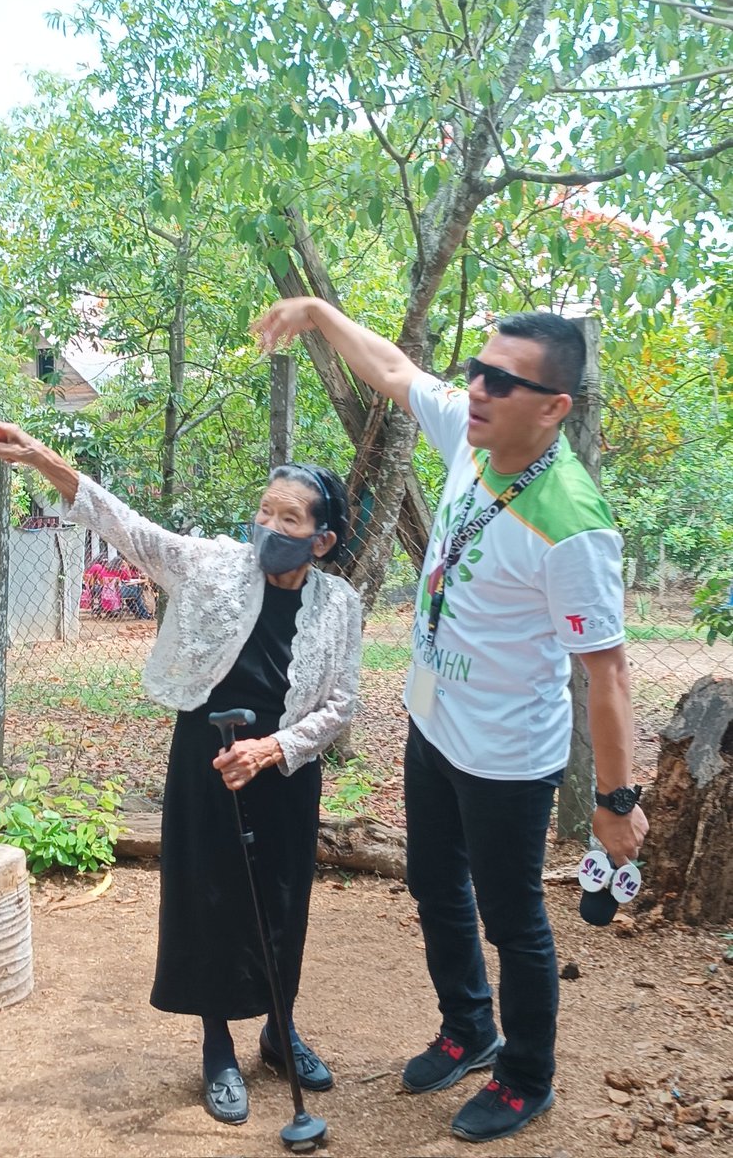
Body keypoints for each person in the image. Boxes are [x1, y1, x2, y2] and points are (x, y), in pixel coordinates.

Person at [253, 298, 649, 1145]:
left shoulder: (572, 523)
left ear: (553, 409)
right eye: (477, 369)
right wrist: (321, 313)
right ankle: (470, 1028)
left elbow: (607, 671)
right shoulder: (473, 438)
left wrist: (615, 798)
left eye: (503, 382)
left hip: (507, 754)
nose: (476, 388)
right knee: (435, 886)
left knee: (513, 921)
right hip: (434, 722)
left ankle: (526, 1076)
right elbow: (394, 372)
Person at [0, 406, 361, 1128]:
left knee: (283, 901)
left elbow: (341, 702)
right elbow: (125, 524)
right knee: (209, 896)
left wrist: (276, 748)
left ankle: (281, 1032)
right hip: (207, 759)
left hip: (283, 770)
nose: (268, 528)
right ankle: (217, 1048)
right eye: (264, 511)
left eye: (289, 519)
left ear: (323, 538)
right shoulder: (213, 563)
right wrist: (42, 459)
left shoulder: (339, 602)